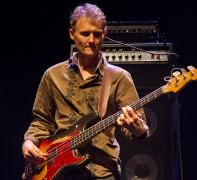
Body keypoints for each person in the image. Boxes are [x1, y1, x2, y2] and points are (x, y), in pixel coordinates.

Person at [22, 3, 150, 180]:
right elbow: (42, 120)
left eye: (97, 34)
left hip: (102, 172)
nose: (91, 40)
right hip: (57, 172)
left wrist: (139, 129)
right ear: (71, 33)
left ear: (104, 34)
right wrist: (29, 142)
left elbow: (137, 127)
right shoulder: (52, 75)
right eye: (85, 33)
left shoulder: (119, 77)